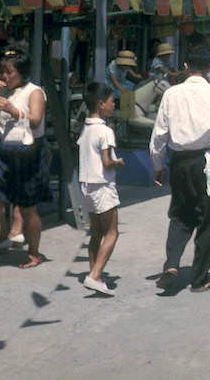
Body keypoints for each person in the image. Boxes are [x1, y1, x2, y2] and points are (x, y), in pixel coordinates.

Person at [150, 34, 210, 292]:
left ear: (186, 67)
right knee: (208, 221)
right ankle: (199, 278)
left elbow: (159, 134)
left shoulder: (172, 94)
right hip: (209, 164)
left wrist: (158, 164)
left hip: (180, 162)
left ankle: (171, 263)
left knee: (180, 215)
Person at [0, 44, 50, 272]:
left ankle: (34, 252)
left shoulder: (34, 91)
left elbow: (35, 120)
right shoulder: (1, 92)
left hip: (29, 150)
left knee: (27, 208)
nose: (4, 76)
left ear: (21, 72)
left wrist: (12, 109)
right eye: (2, 72)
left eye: (9, 72)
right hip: (5, 149)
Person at [77, 83, 124, 296]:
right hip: (103, 186)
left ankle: (94, 273)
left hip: (86, 185)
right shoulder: (105, 131)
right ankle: (95, 274)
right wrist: (118, 163)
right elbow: (106, 161)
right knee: (112, 233)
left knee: (96, 233)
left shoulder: (86, 128)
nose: (114, 104)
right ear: (101, 104)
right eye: (111, 101)